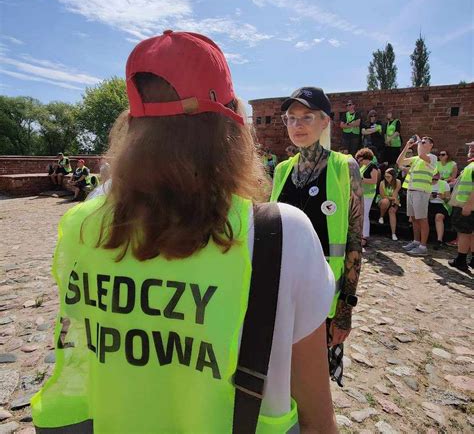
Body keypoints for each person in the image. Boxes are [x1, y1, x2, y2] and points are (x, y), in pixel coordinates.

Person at [31, 31, 338, 434]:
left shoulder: (84, 226)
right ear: (230, 128)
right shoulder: (281, 235)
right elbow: (317, 419)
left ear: (133, 131)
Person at [271, 86, 363, 387]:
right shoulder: (283, 170)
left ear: (325, 122)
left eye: (306, 117)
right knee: (283, 375)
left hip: (323, 298)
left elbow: (353, 240)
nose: (297, 125)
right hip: (284, 294)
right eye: (290, 118)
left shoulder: (343, 167)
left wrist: (345, 309)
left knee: (314, 381)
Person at [397, 135, 437, 256]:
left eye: (425, 142)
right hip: (411, 190)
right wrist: (407, 146)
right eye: (421, 142)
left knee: (422, 219)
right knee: (414, 218)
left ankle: (423, 247)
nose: (422, 143)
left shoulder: (432, 157)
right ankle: (416, 241)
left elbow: (421, 155)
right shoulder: (416, 158)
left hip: (421, 191)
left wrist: (418, 142)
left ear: (431, 145)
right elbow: (399, 162)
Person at [448, 141, 474, 272]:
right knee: (471, 233)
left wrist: (469, 205)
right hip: (466, 204)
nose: (471, 149)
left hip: (466, 205)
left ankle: (461, 260)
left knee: (464, 233)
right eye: (470, 146)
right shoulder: (471, 165)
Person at [355, 148, 379, 247]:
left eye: (360, 159)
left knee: (365, 215)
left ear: (365, 158)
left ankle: (365, 236)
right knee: (361, 215)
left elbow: (374, 180)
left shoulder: (372, 166)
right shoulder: (364, 167)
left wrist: (361, 179)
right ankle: (360, 235)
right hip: (362, 193)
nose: (359, 162)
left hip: (368, 194)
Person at [377, 168, 401, 241]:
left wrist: (394, 201)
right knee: (385, 201)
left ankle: (393, 233)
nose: (386, 178)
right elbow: (383, 195)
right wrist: (393, 199)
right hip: (384, 199)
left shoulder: (398, 182)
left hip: (394, 199)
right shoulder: (382, 183)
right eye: (385, 176)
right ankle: (381, 216)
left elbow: (395, 193)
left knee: (392, 211)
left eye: (388, 177)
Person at [428, 173, 451, 250]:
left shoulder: (444, 184)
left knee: (439, 216)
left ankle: (439, 240)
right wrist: (429, 197)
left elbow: (448, 199)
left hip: (442, 205)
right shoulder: (426, 183)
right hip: (430, 204)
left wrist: (443, 197)